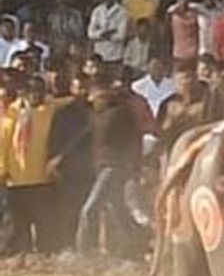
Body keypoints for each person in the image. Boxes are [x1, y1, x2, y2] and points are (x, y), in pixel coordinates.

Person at [0, 75, 70, 254]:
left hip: (40, 176)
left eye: (40, 91)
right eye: (32, 91)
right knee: (16, 221)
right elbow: (3, 143)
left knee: (42, 220)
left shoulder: (48, 110)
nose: (36, 95)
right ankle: (19, 254)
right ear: (25, 93)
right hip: (15, 177)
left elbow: (69, 101)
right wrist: (2, 170)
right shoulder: (12, 113)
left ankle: (44, 252)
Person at [77, 75, 142, 257]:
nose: (93, 99)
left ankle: (83, 251)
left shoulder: (120, 113)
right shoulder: (95, 115)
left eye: (96, 96)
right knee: (116, 209)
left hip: (113, 166)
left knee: (89, 209)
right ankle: (134, 246)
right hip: (100, 166)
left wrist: (133, 165)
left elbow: (133, 139)